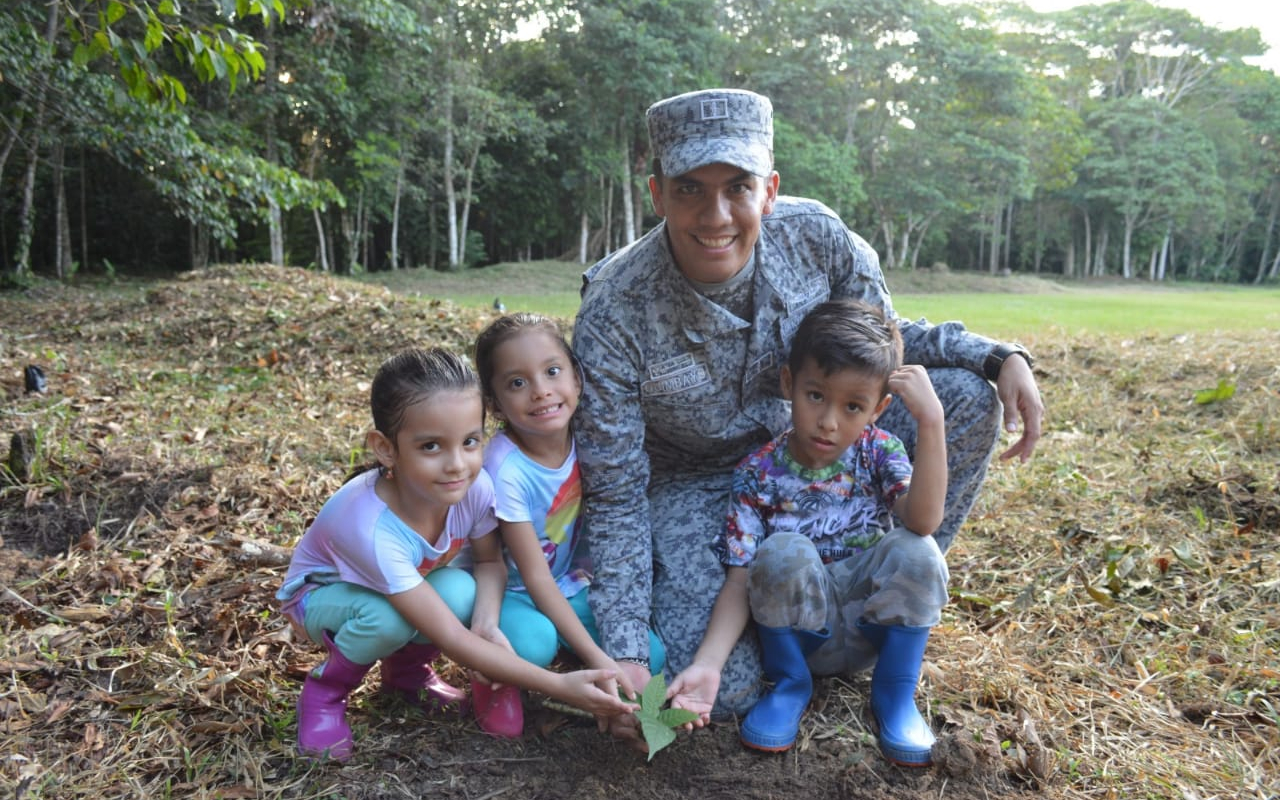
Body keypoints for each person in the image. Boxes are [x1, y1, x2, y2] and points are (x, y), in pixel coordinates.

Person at [571, 88, 1043, 744]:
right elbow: (617, 494)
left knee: (961, 396)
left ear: (770, 188)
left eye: (738, 187)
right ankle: (792, 637)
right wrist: (623, 651)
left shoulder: (816, 237)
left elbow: (881, 345)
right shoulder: (615, 308)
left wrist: (996, 357)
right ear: (657, 195)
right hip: (699, 484)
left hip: (829, 450)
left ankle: (885, 606)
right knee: (726, 691)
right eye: (689, 190)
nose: (716, 216)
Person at [276, 347, 633, 761]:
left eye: (469, 442)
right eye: (431, 447)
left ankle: (406, 677)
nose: (456, 464)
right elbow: (450, 637)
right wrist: (559, 686)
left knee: (462, 590)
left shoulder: (474, 488)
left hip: (404, 586)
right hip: (323, 597)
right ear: (385, 448)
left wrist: (485, 623)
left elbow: (487, 562)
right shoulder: (368, 527)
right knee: (386, 619)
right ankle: (325, 693)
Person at [668, 299, 947, 764]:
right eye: (815, 395)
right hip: (800, 639)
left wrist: (931, 421)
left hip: (868, 633)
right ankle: (790, 688)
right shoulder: (758, 472)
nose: (829, 421)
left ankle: (895, 696)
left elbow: (922, 521)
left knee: (916, 549)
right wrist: (707, 663)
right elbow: (739, 579)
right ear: (788, 383)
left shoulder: (879, 453)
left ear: (878, 408)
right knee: (781, 551)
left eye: (853, 406)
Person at [473, 313, 668, 737]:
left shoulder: (591, 436)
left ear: (577, 378)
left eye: (552, 371)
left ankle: (582, 664)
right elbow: (535, 578)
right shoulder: (504, 468)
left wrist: (612, 660)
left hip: (570, 581)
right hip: (518, 591)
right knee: (533, 645)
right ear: (494, 403)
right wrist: (600, 660)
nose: (541, 391)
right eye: (517, 383)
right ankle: (493, 678)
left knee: (647, 653)